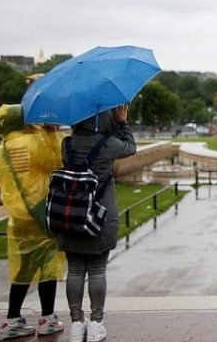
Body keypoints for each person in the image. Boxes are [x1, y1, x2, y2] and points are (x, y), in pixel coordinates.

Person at [56, 106, 136, 342]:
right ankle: (96, 323)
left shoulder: (66, 144)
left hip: (71, 213)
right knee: (98, 270)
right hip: (101, 213)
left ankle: (76, 323)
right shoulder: (108, 144)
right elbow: (131, 147)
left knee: (76, 270)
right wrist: (122, 122)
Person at [0, 104, 66, 340]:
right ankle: (47, 317)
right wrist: (51, 132)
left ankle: (12, 319)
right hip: (39, 210)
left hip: (18, 217)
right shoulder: (31, 142)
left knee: (23, 268)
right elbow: (57, 159)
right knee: (48, 265)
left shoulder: (4, 147)